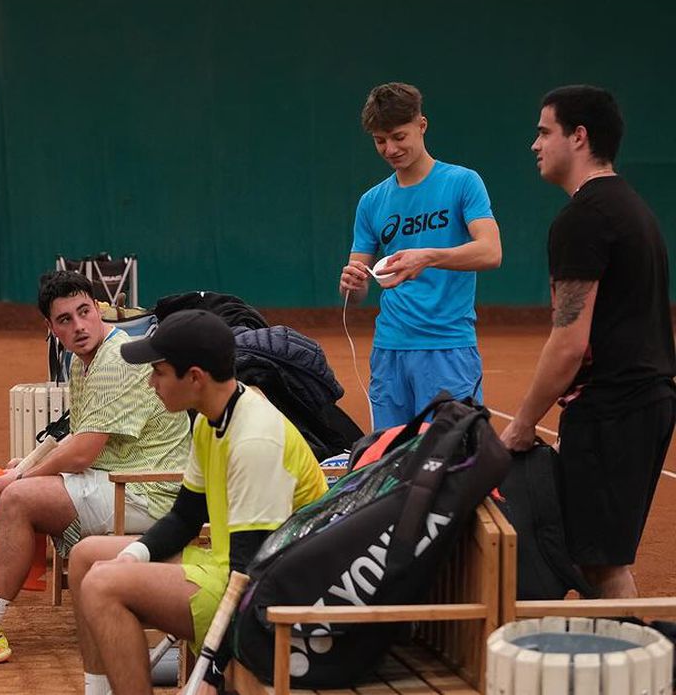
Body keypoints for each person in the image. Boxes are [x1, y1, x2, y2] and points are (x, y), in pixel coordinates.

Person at [0, 270, 191, 673]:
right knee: (3, 485)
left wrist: (23, 479)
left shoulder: (117, 361)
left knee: (18, 497)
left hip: (147, 492)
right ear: (51, 328)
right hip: (114, 480)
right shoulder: (80, 363)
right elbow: (76, 433)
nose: (79, 326)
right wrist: (29, 464)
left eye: (84, 312)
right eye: (65, 319)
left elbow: (83, 452)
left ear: (98, 309)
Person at [70, 309, 327, 695]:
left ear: (194, 378)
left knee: (103, 585)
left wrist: (213, 668)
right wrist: (137, 555)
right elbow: (186, 517)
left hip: (273, 598)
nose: (150, 383)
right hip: (228, 566)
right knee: (86, 556)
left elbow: (251, 575)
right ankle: (98, 689)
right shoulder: (211, 418)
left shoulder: (255, 440)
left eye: (158, 372)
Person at [500, 85, 675, 599]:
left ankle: (629, 676)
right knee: (597, 559)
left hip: (615, 411)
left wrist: (524, 422)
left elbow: (569, 342)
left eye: (543, 131)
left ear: (578, 136)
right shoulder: (630, 208)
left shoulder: (584, 218)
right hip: (638, 404)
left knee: (601, 566)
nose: (535, 144)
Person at [339, 82, 502, 430]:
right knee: (390, 465)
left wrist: (426, 257)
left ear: (421, 125)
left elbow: (490, 251)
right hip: (389, 352)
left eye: (399, 136)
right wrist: (351, 284)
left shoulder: (462, 182)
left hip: (448, 348)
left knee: (453, 464)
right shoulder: (371, 202)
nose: (390, 148)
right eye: (380, 140)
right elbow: (356, 291)